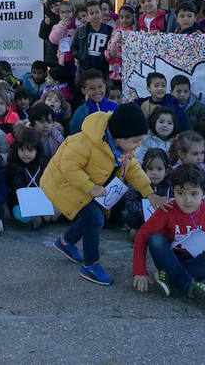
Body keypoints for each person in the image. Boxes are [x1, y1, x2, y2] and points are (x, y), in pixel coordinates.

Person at [43, 103, 164, 286]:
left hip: (87, 186)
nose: (138, 145)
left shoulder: (122, 148)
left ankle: (66, 242)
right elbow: (68, 167)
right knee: (95, 219)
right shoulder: (84, 142)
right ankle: (90, 264)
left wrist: (149, 193)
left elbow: (132, 169)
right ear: (120, 135)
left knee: (92, 216)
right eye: (135, 140)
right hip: (64, 184)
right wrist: (90, 187)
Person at [132, 164, 205, 309]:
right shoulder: (167, 209)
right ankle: (190, 287)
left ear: (204, 193)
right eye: (180, 193)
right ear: (173, 192)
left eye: (194, 194)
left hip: (196, 260)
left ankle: (170, 279)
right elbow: (142, 236)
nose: (187, 200)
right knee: (155, 239)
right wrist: (140, 271)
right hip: (168, 257)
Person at [6, 127, 50, 229]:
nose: (26, 154)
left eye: (30, 150)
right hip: (20, 202)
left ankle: (42, 217)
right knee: (19, 214)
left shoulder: (43, 164)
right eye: (22, 149)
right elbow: (17, 190)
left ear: (37, 150)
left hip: (42, 200)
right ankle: (41, 218)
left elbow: (50, 184)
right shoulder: (13, 167)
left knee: (61, 209)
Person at [71, 0, 112, 75]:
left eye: (97, 12)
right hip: (85, 68)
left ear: (101, 13)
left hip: (102, 67)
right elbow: (74, 47)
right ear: (87, 16)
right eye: (91, 13)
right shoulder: (81, 31)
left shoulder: (109, 30)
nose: (95, 15)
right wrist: (81, 56)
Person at [105, 5, 136, 81]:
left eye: (127, 17)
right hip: (115, 66)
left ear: (133, 17)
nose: (124, 20)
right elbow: (109, 46)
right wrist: (109, 54)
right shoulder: (115, 32)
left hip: (129, 67)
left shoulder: (135, 33)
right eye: (121, 17)